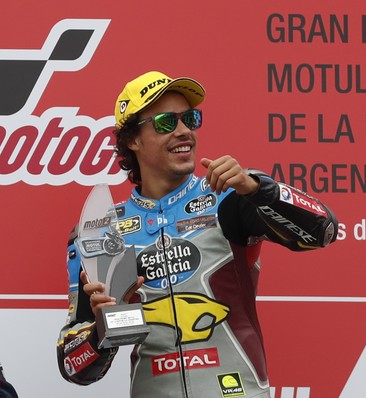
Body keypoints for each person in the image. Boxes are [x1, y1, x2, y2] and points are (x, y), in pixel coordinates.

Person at [56, 71, 338, 397]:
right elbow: (73, 366)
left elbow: (324, 231)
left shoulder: (228, 197)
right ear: (132, 139)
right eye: (166, 122)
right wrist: (105, 326)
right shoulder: (102, 229)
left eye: (190, 119)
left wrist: (259, 188)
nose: (184, 131)